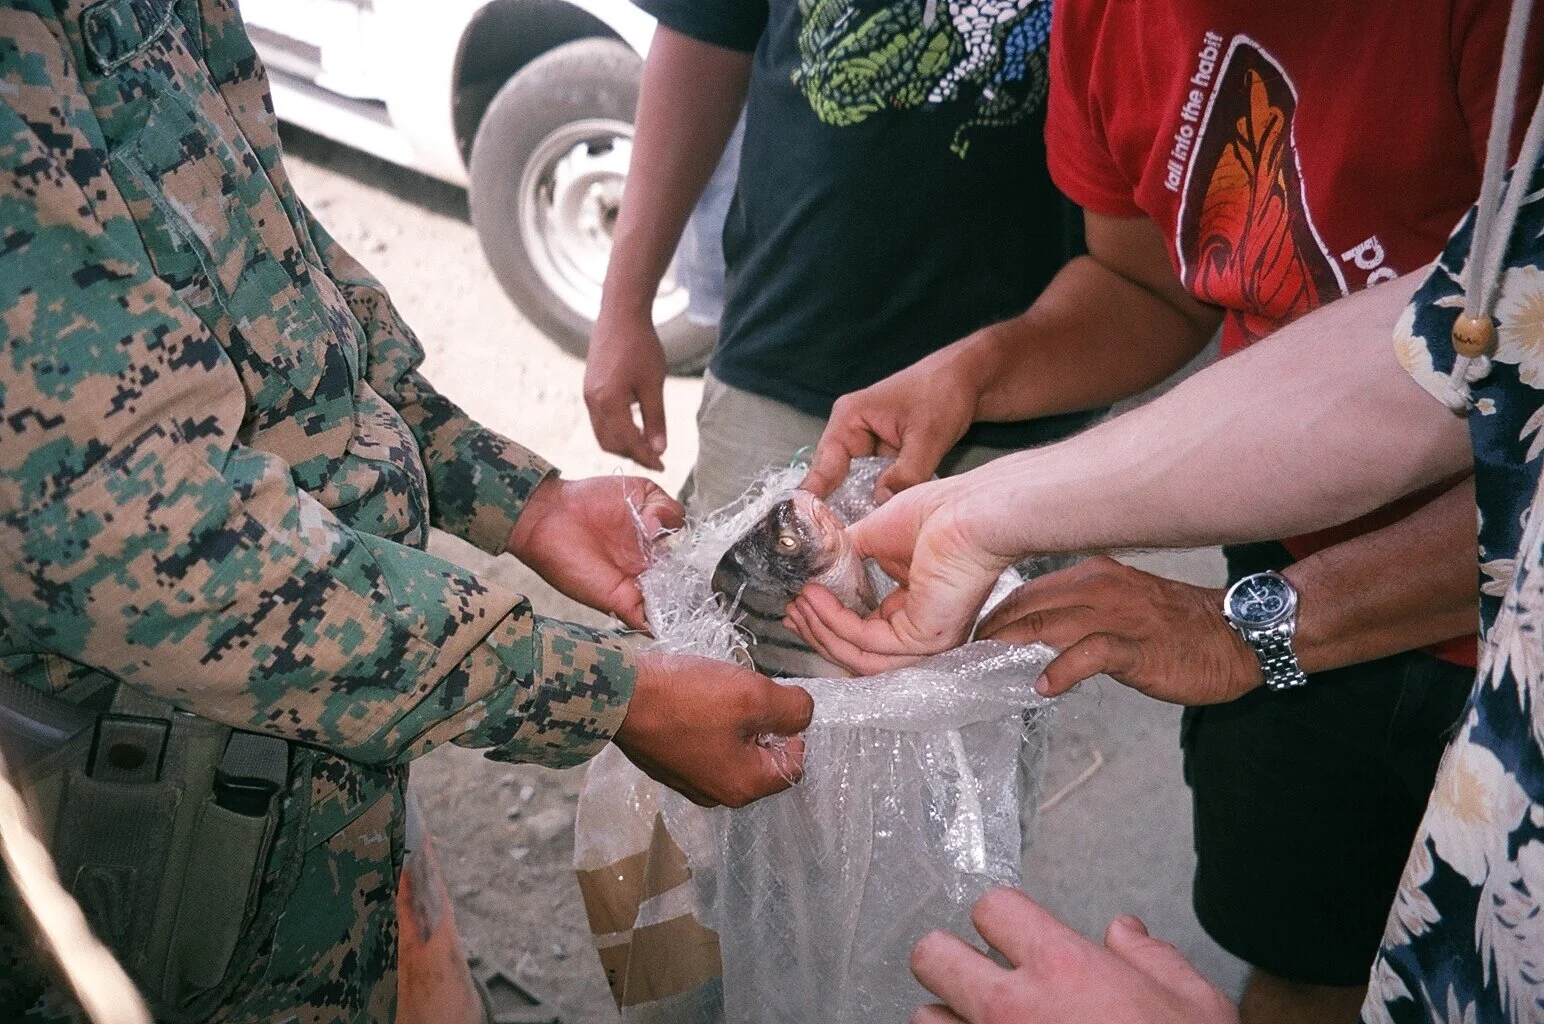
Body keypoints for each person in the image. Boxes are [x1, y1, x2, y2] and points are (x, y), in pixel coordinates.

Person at [0, 3, 812, 1021]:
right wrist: (605, 693)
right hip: (126, 817)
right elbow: (157, 548)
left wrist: (517, 499)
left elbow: (279, 274)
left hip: (307, 793)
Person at [797, 4, 1541, 1020]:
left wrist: (1244, 626)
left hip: (1493, 636)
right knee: (1306, 948)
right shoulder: (1104, 21)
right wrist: (981, 425)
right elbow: (1414, 357)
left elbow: (1490, 421)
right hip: (1283, 572)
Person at [584, 0, 1096, 516]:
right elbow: (704, 30)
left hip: (1032, 402)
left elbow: (1147, 284)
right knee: (737, 585)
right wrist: (624, 305)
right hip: (783, 363)